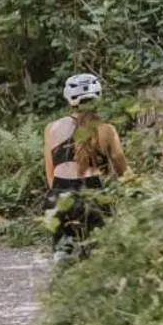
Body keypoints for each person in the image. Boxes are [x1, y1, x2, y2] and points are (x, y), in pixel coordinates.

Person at [42, 72, 128, 261]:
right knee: (101, 255)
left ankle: (63, 270)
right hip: (93, 191)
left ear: (69, 100)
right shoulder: (107, 130)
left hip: (60, 194)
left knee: (63, 256)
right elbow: (123, 171)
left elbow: (50, 174)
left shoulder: (52, 128)